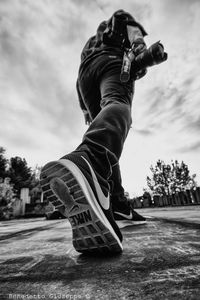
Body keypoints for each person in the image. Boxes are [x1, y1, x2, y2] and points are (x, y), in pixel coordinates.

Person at [40, 9, 148, 254]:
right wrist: (139, 45)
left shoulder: (90, 43)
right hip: (112, 61)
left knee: (107, 129)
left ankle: (115, 201)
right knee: (118, 106)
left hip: (85, 77)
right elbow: (132, 28)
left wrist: (85, 108)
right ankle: (90, 160)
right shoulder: (118, 25)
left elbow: (80, 80)